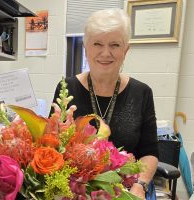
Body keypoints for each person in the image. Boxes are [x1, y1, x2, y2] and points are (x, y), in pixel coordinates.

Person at [51, 8, 158, 199]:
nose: (105, 53)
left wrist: (139, 186)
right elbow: (52, 144)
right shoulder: (67, 88)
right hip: (76, 191)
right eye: (97, 44)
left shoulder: (142, 93)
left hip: (125, 191)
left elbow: (149, 152)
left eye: (115, 45)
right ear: (86, 48)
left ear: (126, 50)